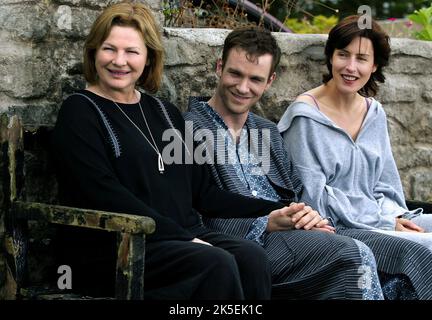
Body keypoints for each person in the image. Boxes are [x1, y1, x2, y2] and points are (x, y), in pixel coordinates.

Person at [51, 2, 298, 300]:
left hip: (177, 239)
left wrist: (275, 208)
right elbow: (101, 193)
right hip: (116, 247)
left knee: (250, 257)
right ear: (94, 52)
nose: (119, 61)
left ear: (148, 57)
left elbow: (203, 192)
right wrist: (186, 238)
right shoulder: (80, 111)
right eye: (109, 49)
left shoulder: (163, 112)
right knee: (214, 262)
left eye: (131, 52)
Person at [184, 27, 387, 300]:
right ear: (219, 67)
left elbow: (298, 194)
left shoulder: (267, 133)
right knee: (354, 254)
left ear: (270, 81)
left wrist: (307, 215)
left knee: (392, 262)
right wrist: (266, 222)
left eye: (255, 79)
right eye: (235, 73)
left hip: (297, 238)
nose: (243, 88)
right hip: (244, 244)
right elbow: (192, 213)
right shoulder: (189, 129)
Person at [278, 15, 432, 298]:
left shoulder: (374, 113)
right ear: (330, 57)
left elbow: (386, 185)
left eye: (361, 58)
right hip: (340, 231)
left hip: (380, 217)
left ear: (374, 66)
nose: (350, 67)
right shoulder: (305, 118)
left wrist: (393, 217)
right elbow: (314, 202)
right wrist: (387, 223)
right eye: (342, 55)